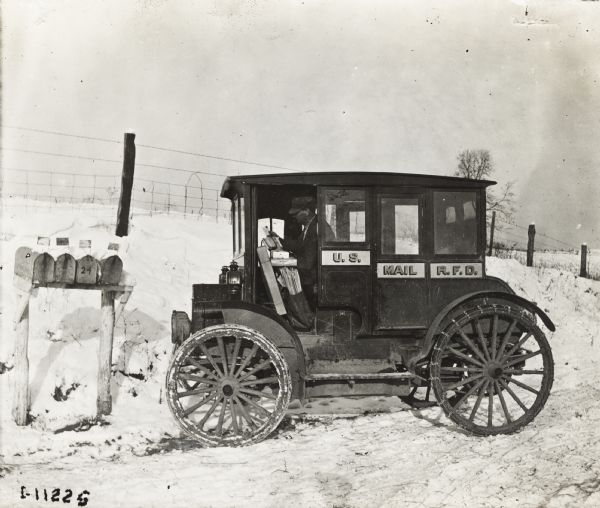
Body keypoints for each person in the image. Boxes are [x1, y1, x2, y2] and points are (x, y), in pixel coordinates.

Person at [270, 196, 326, 310]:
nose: (294, 217)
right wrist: (279, 239)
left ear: (306, 211)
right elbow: (297, 245)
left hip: (314, 278)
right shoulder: (309, 226)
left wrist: (288, 262)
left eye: (296, 214)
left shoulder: (316, 227)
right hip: (310, 274)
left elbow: (308, 263)